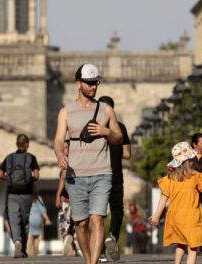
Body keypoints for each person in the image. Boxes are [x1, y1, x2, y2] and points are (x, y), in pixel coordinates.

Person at [54, 64, 123, 264]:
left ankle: (93, 263)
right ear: (78, 84)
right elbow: (59, 139)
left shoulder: (106, 110)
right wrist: (60, 154)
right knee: (81, 224)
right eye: (90, 83)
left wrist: (107, 132)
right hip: (76, 176)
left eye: (96, 83)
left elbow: (119, 137)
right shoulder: (66, 112)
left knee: (97, 219)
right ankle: (88, 259)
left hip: (102, 173)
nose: (94, 87)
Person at [148, 142, 202, 264]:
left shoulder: (170, 179)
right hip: (192, 216)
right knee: (193, 247)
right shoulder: (195, 177)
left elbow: (164, 198)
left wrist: (157, 215)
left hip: (176, 217)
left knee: (181, 243)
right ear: (188, 162)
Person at [98, 96, 131, 262]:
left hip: (98, 175)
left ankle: (101, 254)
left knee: (98, 214)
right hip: (116, 174)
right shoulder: (121, 128)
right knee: (117, 209)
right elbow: (127, 154)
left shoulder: (94, 128)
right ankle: (112, 236)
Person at [0, 134, 40, 258]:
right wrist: (27, 180)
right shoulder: (31, 158)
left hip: (12, 194)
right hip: (26, 194)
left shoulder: (9, 158)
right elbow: (36, 176)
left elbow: (0, 175)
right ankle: (23, 250)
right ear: (26, 144)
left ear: (16, 144)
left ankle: (17, 240)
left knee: (13, 220)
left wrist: (10, 179)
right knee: (25, 221)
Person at [55, 140, 80, 256]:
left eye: (66, 148)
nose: (65, 150)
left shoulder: (66, 161)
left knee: (65, 221)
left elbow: (62, 178)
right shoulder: (78, 160)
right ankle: (77, 248)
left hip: (67, 197)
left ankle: (67, 237)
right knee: (76, 222)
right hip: (76, 196)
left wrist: (57, 195)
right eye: (64, 148)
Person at [27, 189, 52, 256]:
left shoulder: (26, 198)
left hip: (29, 218)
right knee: (36, 237)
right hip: (37, 219)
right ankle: (36, 253)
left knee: (28, 237)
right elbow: (42, 210)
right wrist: (47, 219)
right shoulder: (38, 198)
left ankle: (27, 252)